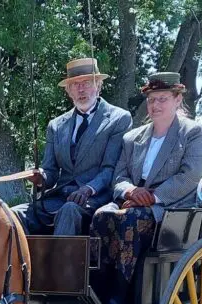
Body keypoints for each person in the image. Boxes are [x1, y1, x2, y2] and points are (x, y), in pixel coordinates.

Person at [90, 72, 202, 304]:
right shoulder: (132, 138)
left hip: (168, 208)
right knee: (100, 216)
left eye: (162, 99)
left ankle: (119, 295)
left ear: (177, 100)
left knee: (132, 219)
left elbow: (190, 176)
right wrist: (132, 191)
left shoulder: (191, 133)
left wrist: (151, 197)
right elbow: (120, 177)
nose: (155, 105)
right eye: (151, 100)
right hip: (132, 200)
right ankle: (97, 287)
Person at [13, 57, 132, 235]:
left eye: (86, 82)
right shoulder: (56, 125)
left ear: (98, 85)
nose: (81, 89)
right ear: (68, 91)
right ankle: (21, 263)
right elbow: (50, 171)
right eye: (75, 84)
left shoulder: (119, 119)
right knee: (13, 215)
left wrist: (88, 189)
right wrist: (41, 178)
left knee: (68, 210)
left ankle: (60, 264)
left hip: (96, 198)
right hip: (59, 197)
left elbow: (110, 168)